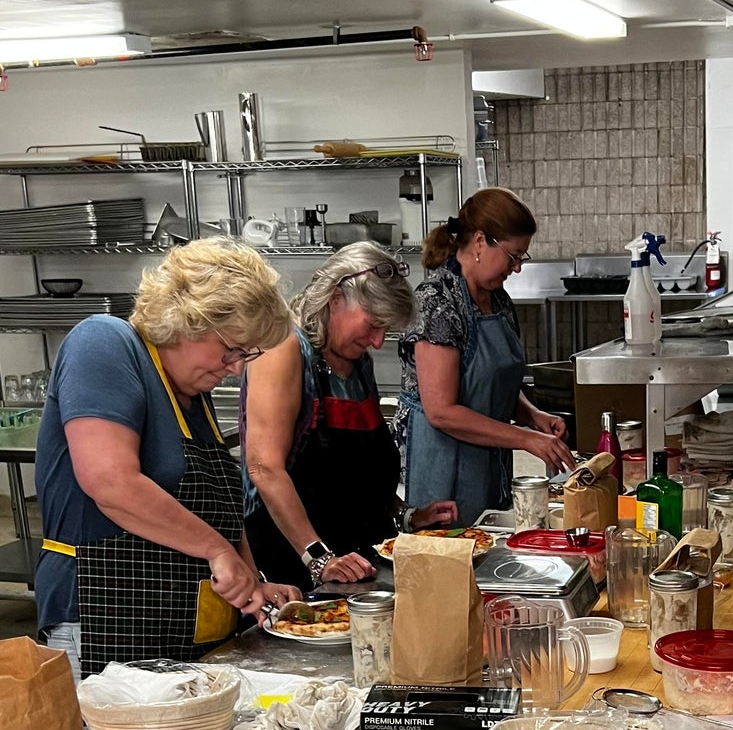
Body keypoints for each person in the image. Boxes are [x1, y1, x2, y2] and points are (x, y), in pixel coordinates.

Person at [36, 239, 300, 678]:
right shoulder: (104, 344)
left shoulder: (194, 392)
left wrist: (252, 581)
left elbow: (216, 509)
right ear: (187, 320)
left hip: (182, 627)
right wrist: (217, 550)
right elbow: (110, 482)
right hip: (109, 619)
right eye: (232, 348)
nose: (237, 368)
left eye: (247, 354)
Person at [241, 243, 458, 591]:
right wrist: (319, 558)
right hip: (297, 567)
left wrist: (406, 514)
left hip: (363, 564)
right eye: (373, 324)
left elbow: (357, 470)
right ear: (335, 298)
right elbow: (264, 468)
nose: (376, 342)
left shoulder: (357, 363)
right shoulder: (283, 348)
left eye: (385, 330)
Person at [395, 188, 573, 524]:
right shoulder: (438, 302)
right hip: (441, 462)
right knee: (449, 557)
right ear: (479, 242)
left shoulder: (498, 299)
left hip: (489, 456)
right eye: (513, 256)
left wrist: (533, 416)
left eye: (523, 258)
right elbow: (442, 412)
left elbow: (492, 380)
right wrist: (526, 438)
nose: (517, 268)